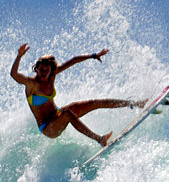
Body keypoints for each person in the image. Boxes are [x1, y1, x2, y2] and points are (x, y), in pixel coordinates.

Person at [10, 44, 144, 147]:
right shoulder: (31, 84)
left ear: (51, 69)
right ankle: (100, 139)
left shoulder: (52, 76)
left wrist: (94, 55)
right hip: (47, 128)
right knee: (68, 113)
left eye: (47, 68)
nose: (44, 71)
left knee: (94, 102)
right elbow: (14, 75)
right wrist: (19, 56)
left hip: (58, 114)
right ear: (37, 68)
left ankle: (136, 103)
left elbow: (74, 60)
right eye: (41, 69)